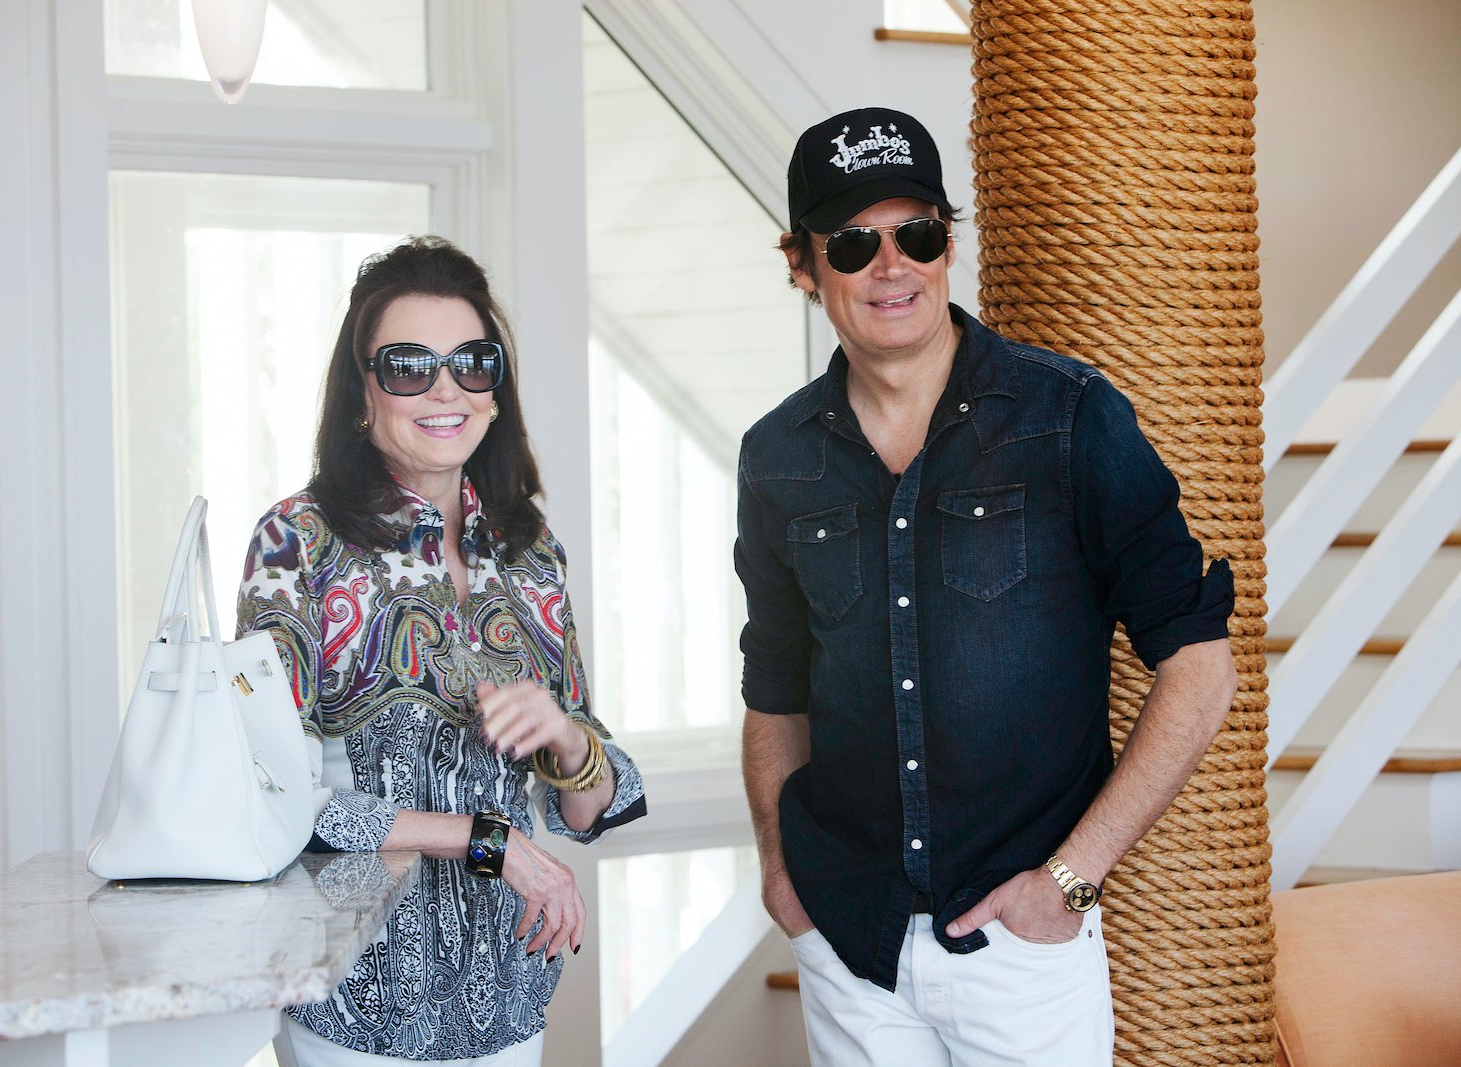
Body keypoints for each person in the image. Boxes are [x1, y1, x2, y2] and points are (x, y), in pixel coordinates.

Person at [735, 107, 1240, 1065]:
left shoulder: (1071, 418)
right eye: (854, 243)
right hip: (849, 938)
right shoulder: (775, 458)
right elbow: (776, 690)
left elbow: (1200, 667)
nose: (893, 266)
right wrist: (779, 871)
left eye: (918, 234)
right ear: (802, 266)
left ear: (948, 245)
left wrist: (1072, 880)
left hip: (1023, 949)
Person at [239, 236, 646, 1066]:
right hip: (355, 1004)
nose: (446, 388)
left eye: (472, 362)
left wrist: (568, 739)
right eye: (408, 366)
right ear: (361, 395)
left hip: (511, 997)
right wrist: (485, 837)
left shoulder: (532, 552)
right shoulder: (298, 542)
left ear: (496, 391)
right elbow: (274, 795)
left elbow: (589, 807)